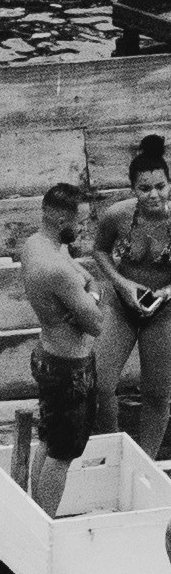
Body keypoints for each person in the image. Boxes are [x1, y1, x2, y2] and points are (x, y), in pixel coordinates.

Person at [22, 174, 114, 471]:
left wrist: (90, 293)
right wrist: (95, 297)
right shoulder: (56, 268)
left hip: (47, 355)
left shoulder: (37, 245)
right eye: (81, 221)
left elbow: (88, 278)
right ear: (62, 219)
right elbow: (97, 324)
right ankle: (47, 516)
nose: (84, 227)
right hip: (68, 369)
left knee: (49, 441)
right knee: (63, 455)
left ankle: (37, 512)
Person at [104, 134, 171, 453]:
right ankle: (112, 445)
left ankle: (145, 460)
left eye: (160, 186)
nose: (154, 194)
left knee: (157, 394)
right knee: (101, 384)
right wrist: (122, 284)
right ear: (133, 189)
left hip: (164, 309)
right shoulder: (118, 215)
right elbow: (99, 251)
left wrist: (167, 292)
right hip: (121, 304)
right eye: (145, 188)